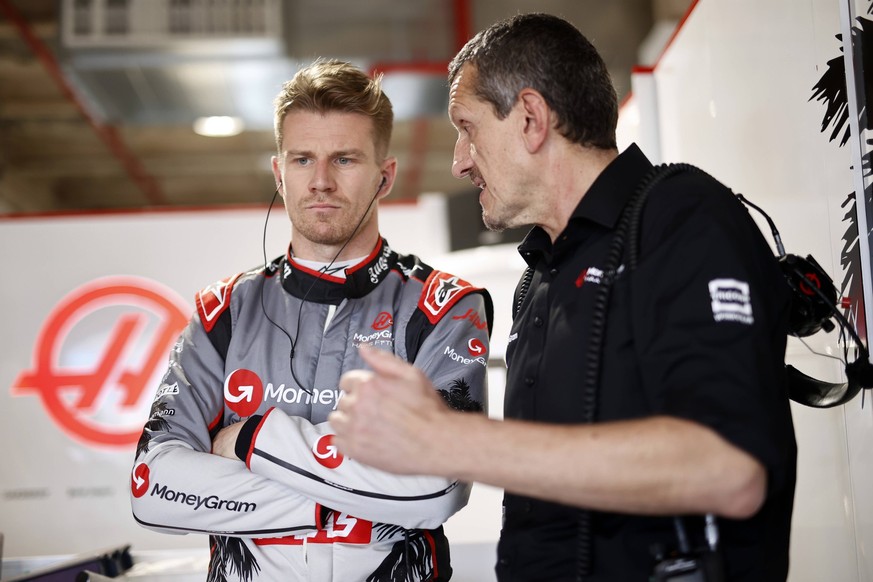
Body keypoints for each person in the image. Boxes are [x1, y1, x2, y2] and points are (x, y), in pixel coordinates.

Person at [330, 13, 797, 581]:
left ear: (530, 119)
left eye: (467, 126)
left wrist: (447, 439)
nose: (457, 160)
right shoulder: (542, 275)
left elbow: (730, 469)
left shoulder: (682, 218)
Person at [130, 59, 493, 582]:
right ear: (280, 173)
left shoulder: (445, 307)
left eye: (344, 159)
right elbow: (152, 486)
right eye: (302, 159)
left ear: (384, 176)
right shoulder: (224, 312)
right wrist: (352, 505)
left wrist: (253, 441)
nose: (321, 181)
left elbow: (437, 489)